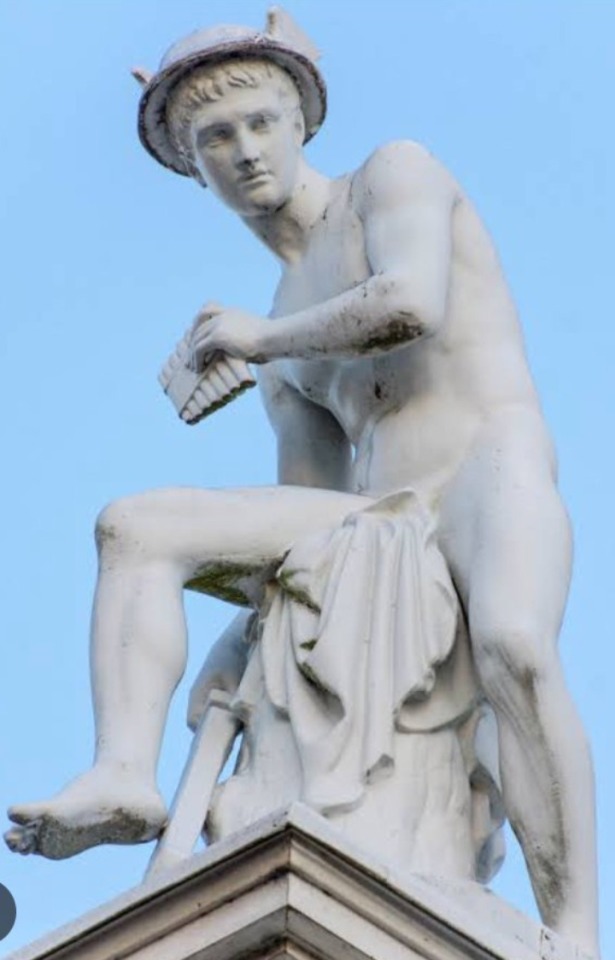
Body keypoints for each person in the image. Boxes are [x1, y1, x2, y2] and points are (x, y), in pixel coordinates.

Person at [5, 10, 599, 956]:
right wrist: (237, 645)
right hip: (380, 513)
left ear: (300, 124)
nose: (244, 152)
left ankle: (573, 927)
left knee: (516, 648)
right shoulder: (279, 336)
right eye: (215, 139)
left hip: (485, 466)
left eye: (260, 124)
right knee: (137, 526)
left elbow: (410, 302)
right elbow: (310, 533)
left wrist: (261, 340)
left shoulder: (391, 178)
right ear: (192, 166)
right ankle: (123, 772)